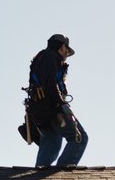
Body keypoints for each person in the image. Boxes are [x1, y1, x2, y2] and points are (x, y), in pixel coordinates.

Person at [26, 34, 88, 167]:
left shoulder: (41, 58)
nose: (66, 55)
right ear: (62, 47)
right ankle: (62, 176)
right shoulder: (51, 57)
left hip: (39, 111)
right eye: (67, 50)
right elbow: (51, 83)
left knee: (52, 145)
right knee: (79, 138)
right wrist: (60, 104)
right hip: (52, 109)